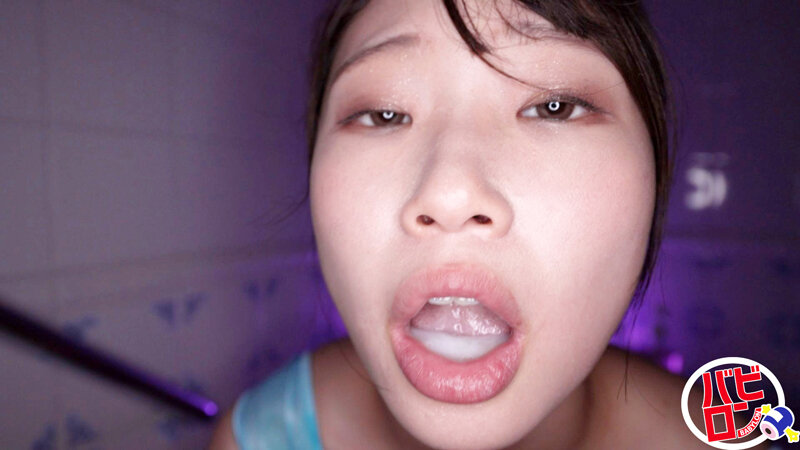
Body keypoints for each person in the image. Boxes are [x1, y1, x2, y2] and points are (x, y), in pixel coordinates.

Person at [210, 0, 711, 448]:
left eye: (553, 107)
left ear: (655, 172)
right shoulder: (258, 436)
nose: (450, 194)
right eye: (384, 114)